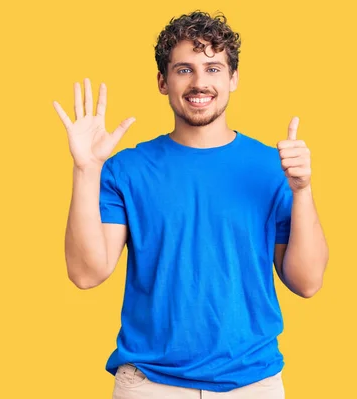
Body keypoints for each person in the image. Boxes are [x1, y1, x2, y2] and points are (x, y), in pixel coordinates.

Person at [53, 10, 329, 399]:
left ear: (233, 78)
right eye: (184, 69)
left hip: (253, 383)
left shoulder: (275, 168)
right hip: (150, 384)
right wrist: (85, 170)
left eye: (213, 68)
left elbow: (307, 282)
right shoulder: (126, 169)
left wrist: (301, 190)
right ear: (163, 82)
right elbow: (86, 274)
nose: (200, 83)